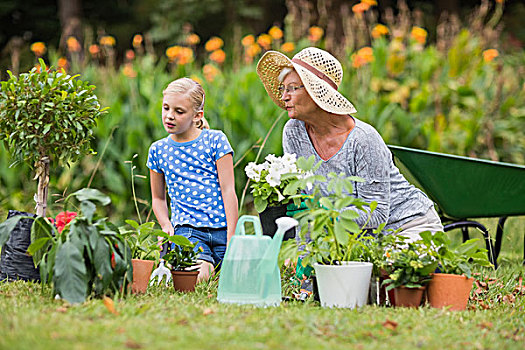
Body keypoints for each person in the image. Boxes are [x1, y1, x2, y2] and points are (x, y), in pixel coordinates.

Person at [256, 47, 443, 243]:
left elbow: (377, 213)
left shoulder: (363, 139)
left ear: (316, 91)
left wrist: (326, 212)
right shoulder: (294, 132)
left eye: (293, 88)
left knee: (389, 271)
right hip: (359, 238)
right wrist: (305, 256)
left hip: (408, 226)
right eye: (283, 89)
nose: (284, 96)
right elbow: (305, 205)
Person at [147, 77, 238, 282]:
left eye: (179, 111)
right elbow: (158, 199)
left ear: (197, 116)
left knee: (234, 276)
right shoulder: (158, 150)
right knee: (200, 277)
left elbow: (228, 190)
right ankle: (193, 265)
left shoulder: (216, 141)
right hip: (188, 231)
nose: (169, 116)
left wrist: (232, 236)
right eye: (166, 108)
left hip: (222, 229)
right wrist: (165, 225)